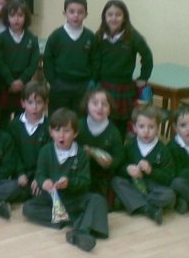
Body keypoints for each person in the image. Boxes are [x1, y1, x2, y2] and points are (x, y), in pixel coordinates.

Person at [22, 108, 109, 253]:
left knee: (97, 200)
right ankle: (77, 221)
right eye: (57, 130)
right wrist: (44, 182)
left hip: (73, 199)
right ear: (51, 132)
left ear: (75, 133)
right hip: (52, 199)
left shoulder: (81, 154)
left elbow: (85, 182)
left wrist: (69, 183)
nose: (61, 135)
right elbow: (40, 174)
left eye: (67, 131)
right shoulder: (45, 151)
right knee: (28, 208)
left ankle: (80, 232)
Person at [94, 0, 153, 137]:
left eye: (118, 14)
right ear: (104, 17)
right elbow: (93, 59)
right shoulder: (99, 36)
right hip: (103, 85)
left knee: (121, 122)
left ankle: (119, 145)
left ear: (124, 17)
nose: (114, 18)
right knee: (102, 118)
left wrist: (144, 77)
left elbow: (147, 56)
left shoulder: (132, 36)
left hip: (124, 86)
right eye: (110, 14)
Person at [112, 105, 176, 225]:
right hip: (133, 183)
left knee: (170, 195)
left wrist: (151, 171)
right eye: (141, 126)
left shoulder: (163, 150)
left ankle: (131, 202)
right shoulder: (129, 146)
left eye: (151, 127)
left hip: (153, 187)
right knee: (116, 181)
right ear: (134, 128)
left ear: (158, 128)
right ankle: (148, 209)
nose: (146, 131)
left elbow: (169, 177)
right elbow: (119, 167)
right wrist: (127, 169)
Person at [43, 0, 95, 114]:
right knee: (58, 117)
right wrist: (53, 82)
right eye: (71, 11)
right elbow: (48, 60)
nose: (76, 15)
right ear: (64, 13)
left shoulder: (90, 37)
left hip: (83, 86)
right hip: (60, 85)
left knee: (80, 118)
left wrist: (91, 81)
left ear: (86, 14)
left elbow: (95, 61)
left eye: (80, 12)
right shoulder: (56, 36)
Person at [76, 87, 124, 205]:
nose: (99, 107)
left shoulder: (113, 132)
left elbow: (119, 158)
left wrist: (110, 163)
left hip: (103, 178)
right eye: (95, 103)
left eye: (104, 104)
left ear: (110, 109)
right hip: (79, 174)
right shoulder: (78, 126)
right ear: (86, 105)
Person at [0, 0, 40, 128]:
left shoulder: (32, 39)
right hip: (5, 85)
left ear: (26, 17)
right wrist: (11, 81)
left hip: (24, 86)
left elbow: (33, 63)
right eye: (12, 15)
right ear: (7, 17)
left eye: (20, 15)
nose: (16, 19)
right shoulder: (1, 38)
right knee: (3, 119)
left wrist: (21, 80)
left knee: (22, 119)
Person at [9, 81, 50, 200]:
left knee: (48, 190)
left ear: (46, 104)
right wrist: (20, 173)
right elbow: (13, 153)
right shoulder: (14, 125)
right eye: (30, 102)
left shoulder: (49, 126)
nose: (34, 107)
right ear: (23, 103)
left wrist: (39, 177)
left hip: (41, 175)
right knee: (7, 188)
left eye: (39, 102)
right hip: (21, 176)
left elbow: (48, 155)